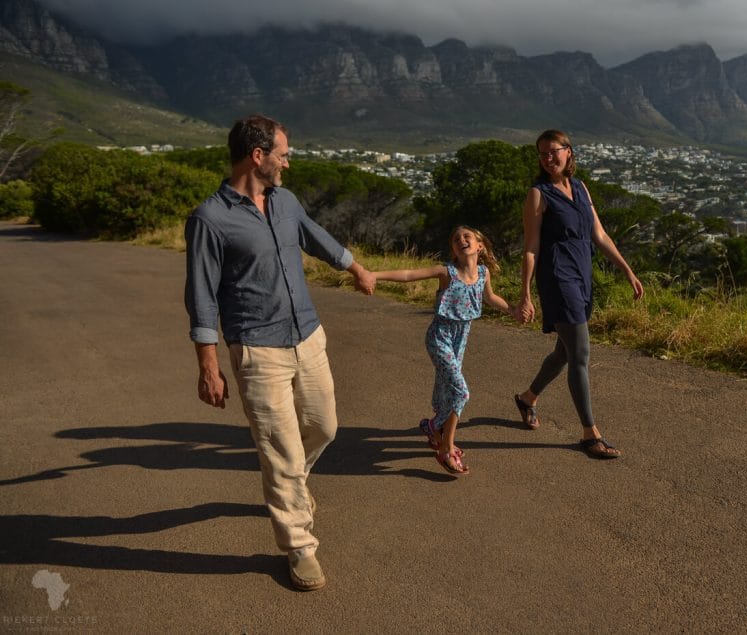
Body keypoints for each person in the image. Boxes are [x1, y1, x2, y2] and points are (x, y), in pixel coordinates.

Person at [184, 114, 375, 591]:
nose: (288, 162)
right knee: (282, 453)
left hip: (308, 336)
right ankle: (299, 546)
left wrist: (356, 268)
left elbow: (315, 235)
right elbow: (201, 295)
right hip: (257, 349)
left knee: (324, 427)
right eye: (283, 155)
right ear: (258, 156)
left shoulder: (285, 201)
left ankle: (289, 485)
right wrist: (208, 365)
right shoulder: (210, 219)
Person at [512, 129, 644, 459]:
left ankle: (527, 398)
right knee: (580, 354)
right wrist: (525, 294)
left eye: (554, 151)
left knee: (564, 351)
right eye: (542, 153)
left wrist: (627, 270)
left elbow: (599, 235)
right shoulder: (538, 194)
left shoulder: (581, 187)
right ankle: (589, 434)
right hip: (558, 279)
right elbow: (531, 247)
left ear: (569, 151)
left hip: (582, 276)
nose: (548, 158)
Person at [373, 226, 512, 476]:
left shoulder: (483, 273)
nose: (461, 240)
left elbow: (491, 298)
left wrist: (514, 310)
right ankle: (446, 448)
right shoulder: (447, 272)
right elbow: (409, 275)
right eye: (456, 239)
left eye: (467, 236)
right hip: (440, 337)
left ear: (480, 246)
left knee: (447, 388)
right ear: (454, 251)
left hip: (461, 339)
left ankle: (433, 427)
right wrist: (374, 275)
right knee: (461, 392)